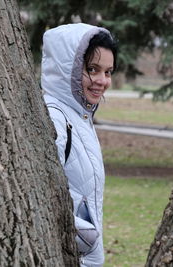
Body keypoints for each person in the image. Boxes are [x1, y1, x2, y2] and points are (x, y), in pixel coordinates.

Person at [41, 23, 118, 266]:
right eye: (92, 69)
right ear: (69, 69)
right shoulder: (55, 116)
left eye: (108, 72)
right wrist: (85, 236)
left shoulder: (80, 116)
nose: (102, 81)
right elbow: (42, 192)